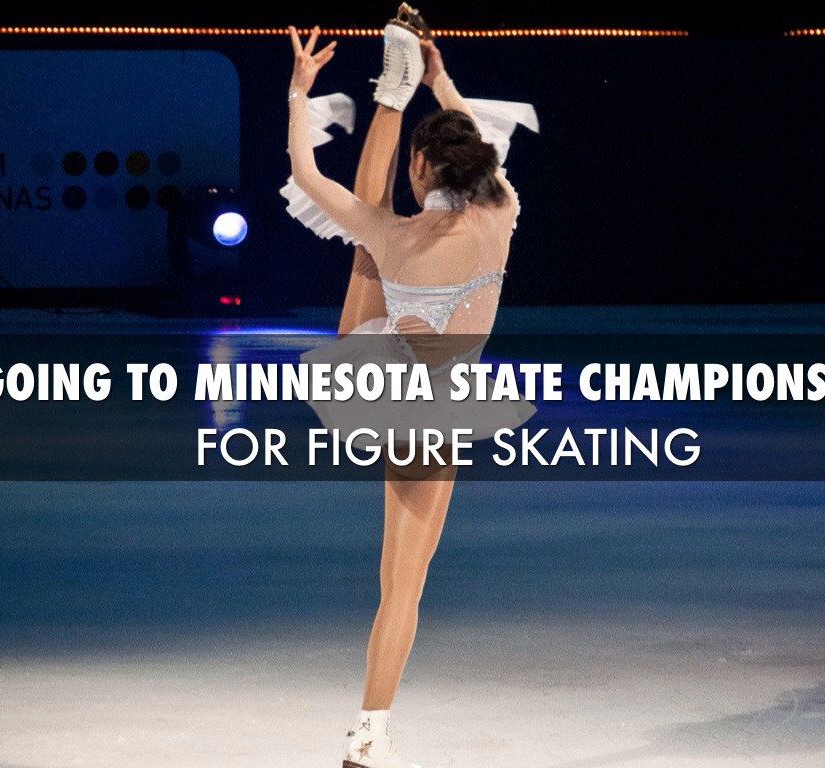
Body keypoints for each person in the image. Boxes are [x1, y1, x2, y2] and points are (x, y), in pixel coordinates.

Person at [285, 9, 537, 766]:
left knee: (363, 245)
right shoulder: (502, 212)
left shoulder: (395, 236)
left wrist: (300, 92)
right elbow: (482, 150)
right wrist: (443, 81)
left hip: (383, 390)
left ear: (421, 166)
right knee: (404, 584)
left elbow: (308, 177)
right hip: (441, 410)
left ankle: (388, 98)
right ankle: (370, 730)